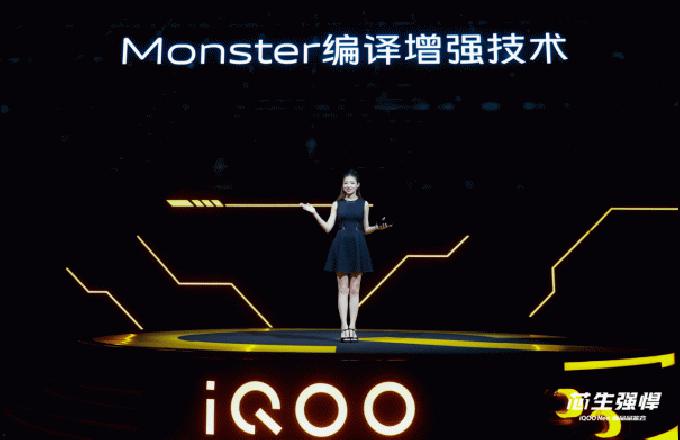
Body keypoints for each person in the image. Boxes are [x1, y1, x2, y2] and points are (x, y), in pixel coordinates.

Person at [300, 169, 391, 343]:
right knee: (343, 289)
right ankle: (344, 328)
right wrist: (314, 213)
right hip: (341, 245)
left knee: (355, 289)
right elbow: (328, 228)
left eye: (351, 183)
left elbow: (366, 229)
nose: (348, 185)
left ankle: (353, 328)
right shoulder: (336, 204)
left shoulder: (364, 204)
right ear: (342, 185)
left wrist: (378, 227)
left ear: (357, 185)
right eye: (346, 183)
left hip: (357, 245)